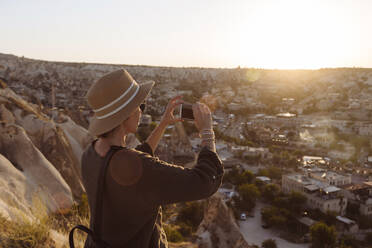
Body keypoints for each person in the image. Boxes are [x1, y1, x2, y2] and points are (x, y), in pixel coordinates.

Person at [81, 69, 223, 247]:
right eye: (140, 105)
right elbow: (205, 181)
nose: (141, 111)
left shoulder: (89, 154)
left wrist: (163, 124)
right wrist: (207, 132)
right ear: (128, 113)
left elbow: (130, 166)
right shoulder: (140, 169)